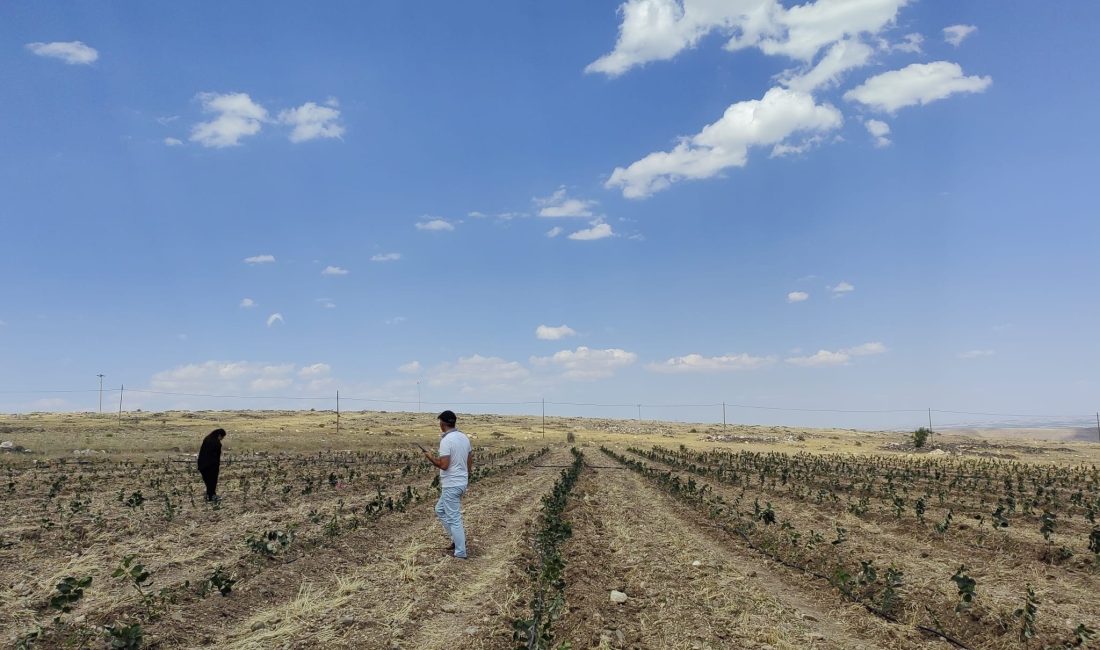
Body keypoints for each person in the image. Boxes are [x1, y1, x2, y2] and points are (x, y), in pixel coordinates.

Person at [421, 410, 472, 559]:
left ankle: (460, 552)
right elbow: (470, 460)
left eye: (440, 423)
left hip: (451, 484)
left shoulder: (446, 441)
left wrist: (430, 457)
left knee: (454, 518)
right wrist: (465, 476)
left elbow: (443, 465)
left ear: (442, 424)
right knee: (440, 509)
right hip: (461, 482)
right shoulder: (464, 438)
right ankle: (457, 540)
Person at [197, 428, 226, 502]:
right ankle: (211, 496)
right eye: (222, 437)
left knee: (207, 481)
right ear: (219, 435)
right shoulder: (217, 443)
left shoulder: (207, 439)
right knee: (212, 481)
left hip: (202, 464)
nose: (222, 439)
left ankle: (209, 495)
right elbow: (216, 457)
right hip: (211, 466)